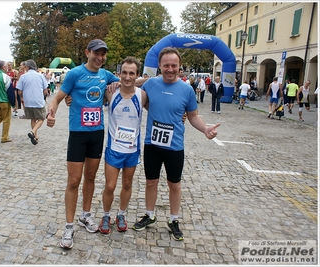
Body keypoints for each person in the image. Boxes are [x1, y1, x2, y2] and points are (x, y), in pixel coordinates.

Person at [132, 47, 220, 241]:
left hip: (175, 146)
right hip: (152, 144)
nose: (170, 69)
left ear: (180, 67)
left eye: (174, 66)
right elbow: (129, 85)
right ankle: (149, 214)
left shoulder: (187, 89)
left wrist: (206, 129)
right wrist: (145, 79)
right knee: (151, 182)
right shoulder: (151, 84)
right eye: (166, 65)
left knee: (175, 185)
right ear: (159, 66)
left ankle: (173, 220)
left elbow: (193, 116)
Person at [46, 39, 121, 249]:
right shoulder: (75, 74)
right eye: (96, 53)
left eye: (103, 54)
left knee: (90, 177)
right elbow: (57, 98)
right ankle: (68, 226)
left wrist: (156, 80)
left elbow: (129, 81)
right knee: (73, 180)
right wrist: (51, 113)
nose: (100, 57)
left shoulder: (106, 75)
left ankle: (85, 215)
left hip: (97, 133)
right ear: (87, 52)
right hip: (78, 134)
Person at [98, 56, 148, 234]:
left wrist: (182, 115)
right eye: (124, 73)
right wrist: (68, 100)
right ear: (119, 74)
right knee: (110, 186)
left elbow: (160, 110)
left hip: (132, 150)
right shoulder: (110, 92)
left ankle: (121, 214)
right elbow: (87, 97)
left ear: (137, 75)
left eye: (131, 73)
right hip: (114, 148)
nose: (127, 77)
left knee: (127, 184)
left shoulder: (142, 95)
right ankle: (105, 215)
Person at [16, 59, 48, 145]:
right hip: (38, 101)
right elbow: (45, 90)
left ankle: (35, 136)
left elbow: (19, 92)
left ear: (27, 67)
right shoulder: (40, 76)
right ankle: (33, 131)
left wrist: (24, 97)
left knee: (33, 118)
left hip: (28, 102)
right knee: (42, 118)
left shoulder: (23, 77)